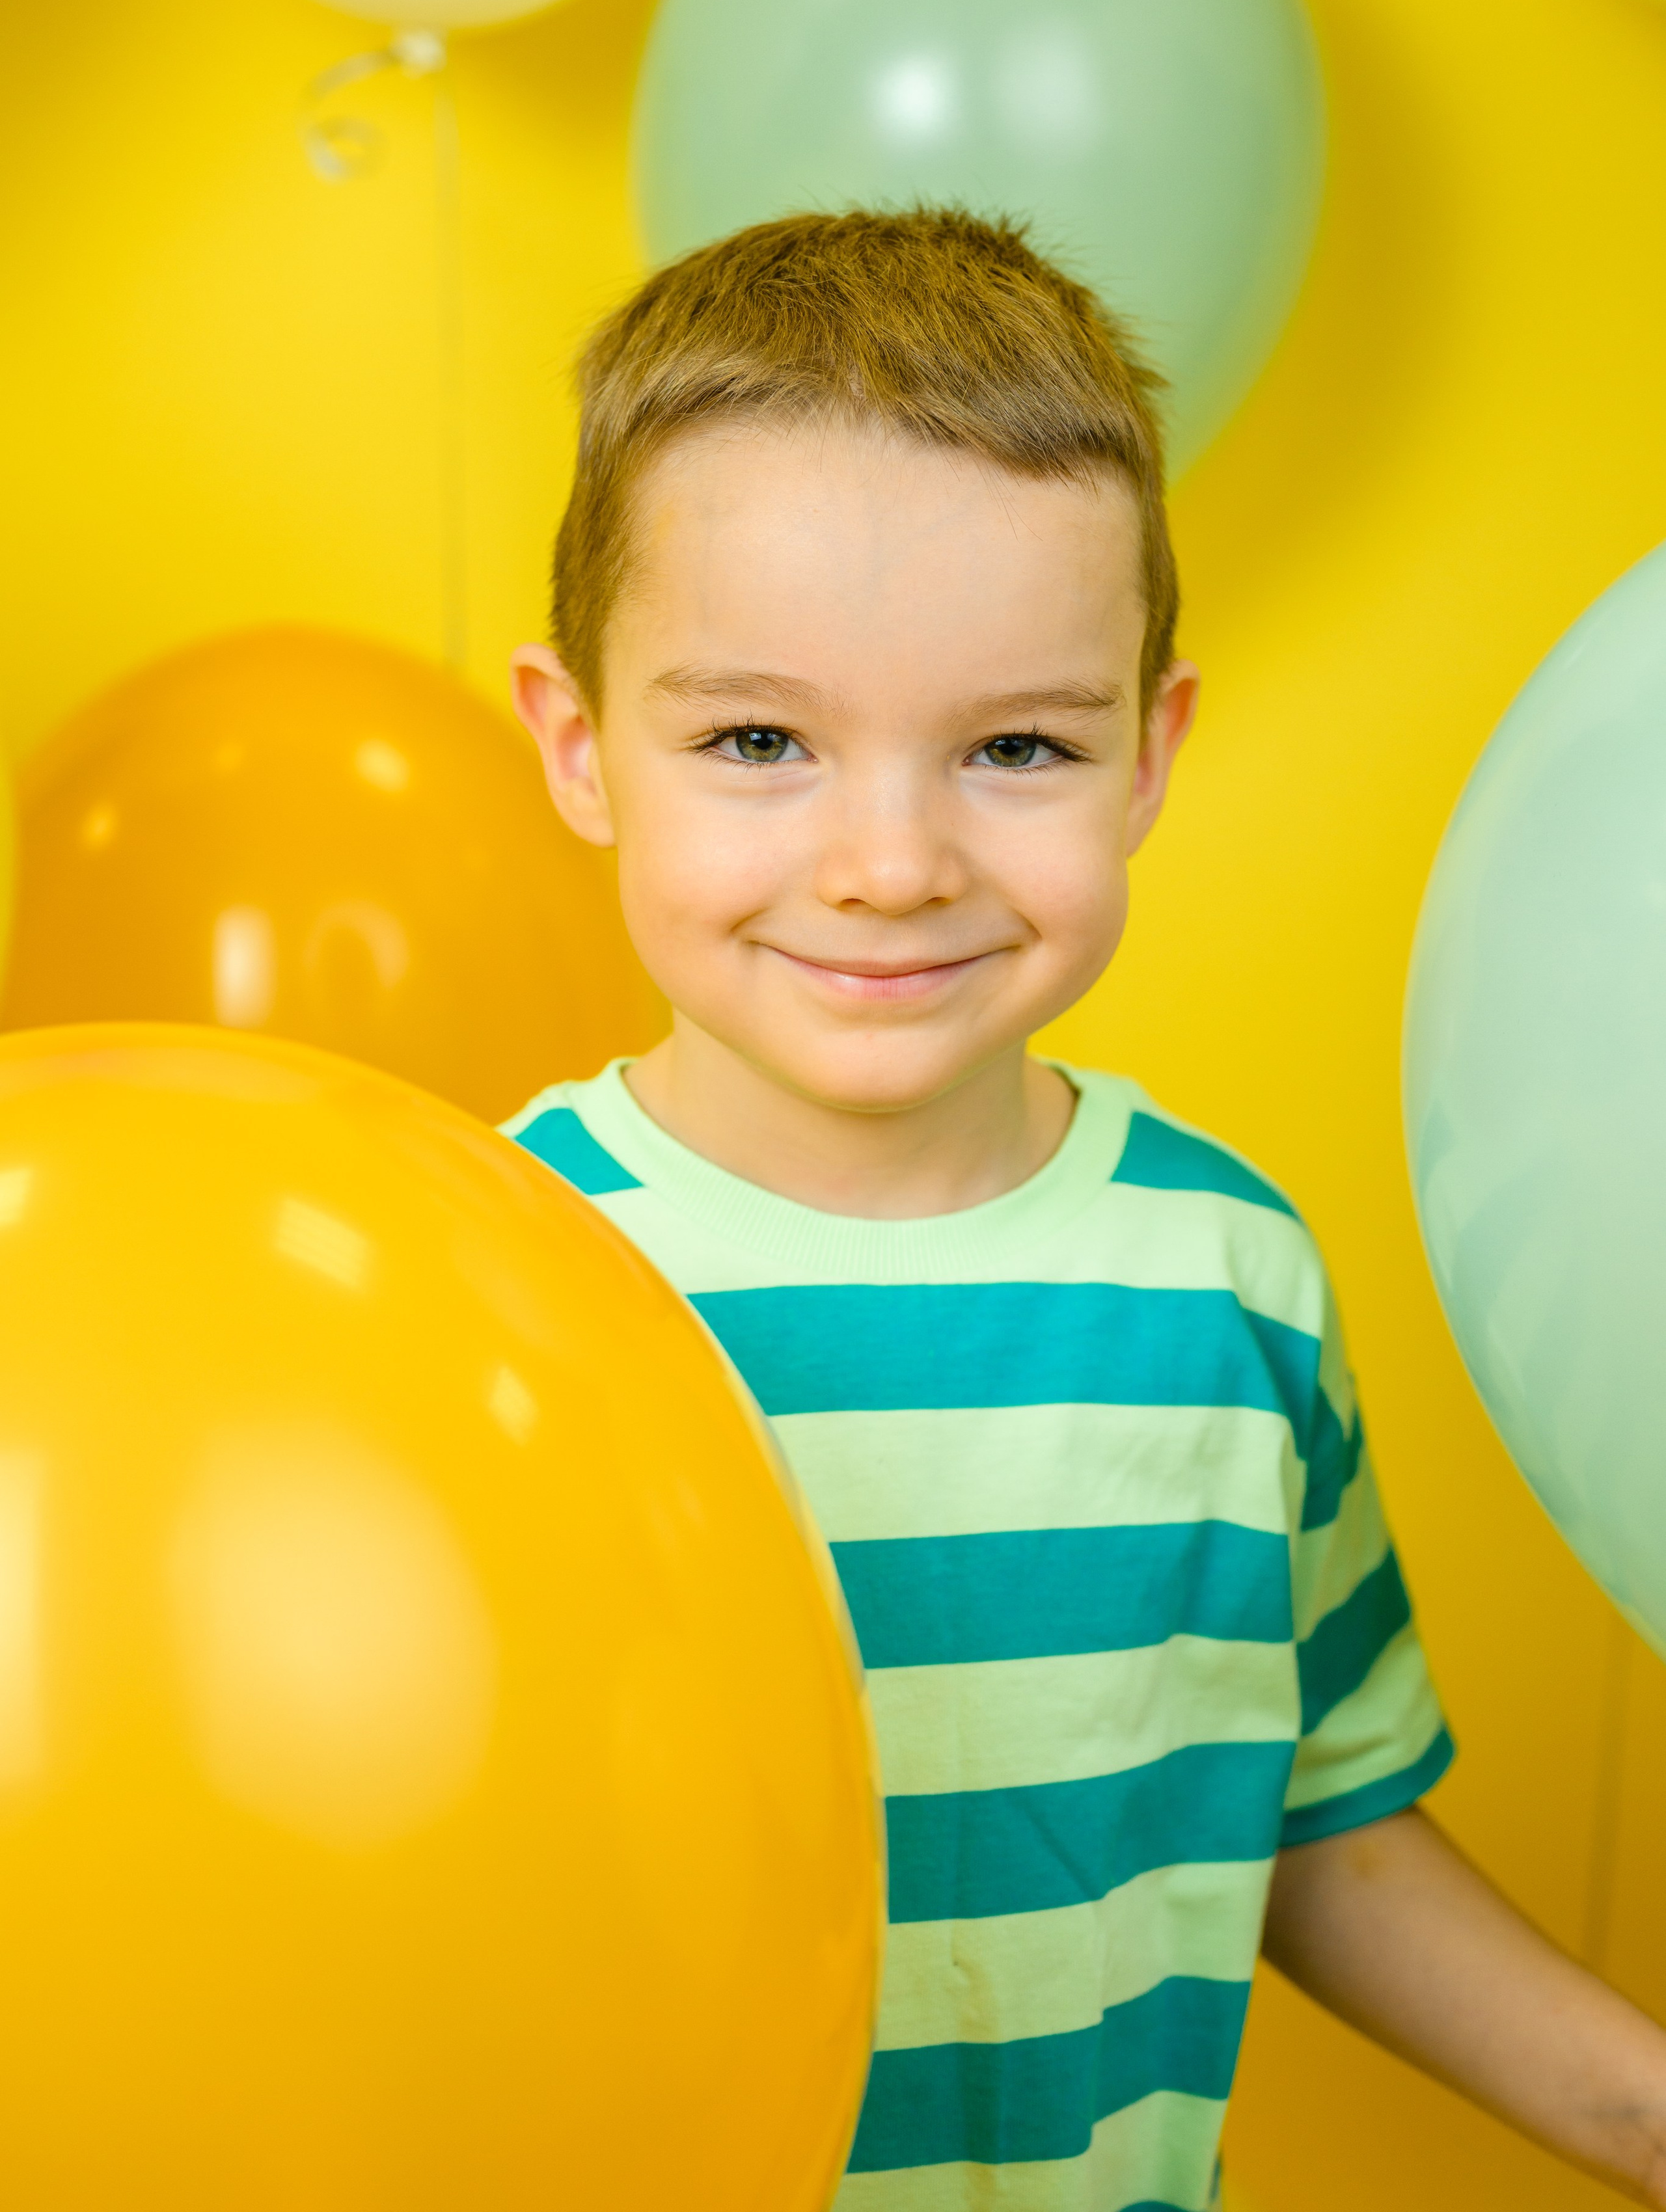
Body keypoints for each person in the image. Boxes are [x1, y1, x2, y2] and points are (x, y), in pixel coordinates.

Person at [507, 207, 1666, 2210]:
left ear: (1150, 756)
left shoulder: (1227, 1284)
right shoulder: (500, 1278)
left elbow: (1312, 1819)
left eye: (1017, 746)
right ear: (583, 744)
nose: (890, 863)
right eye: (760, 741)